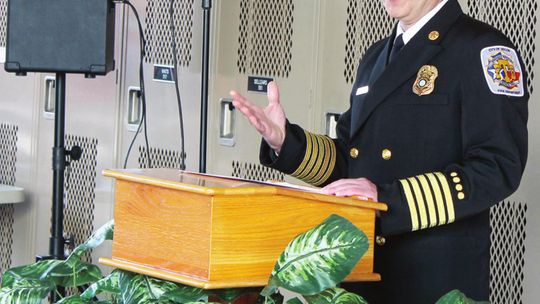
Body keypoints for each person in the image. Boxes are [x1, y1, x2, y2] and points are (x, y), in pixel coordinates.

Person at [230, 0, 529, 302]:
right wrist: (285, 141)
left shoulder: (483, 50)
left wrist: (386, 200)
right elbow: (351, 160)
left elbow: (498, 167)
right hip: (364, 270)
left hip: (431, 279)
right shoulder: (375, 57)